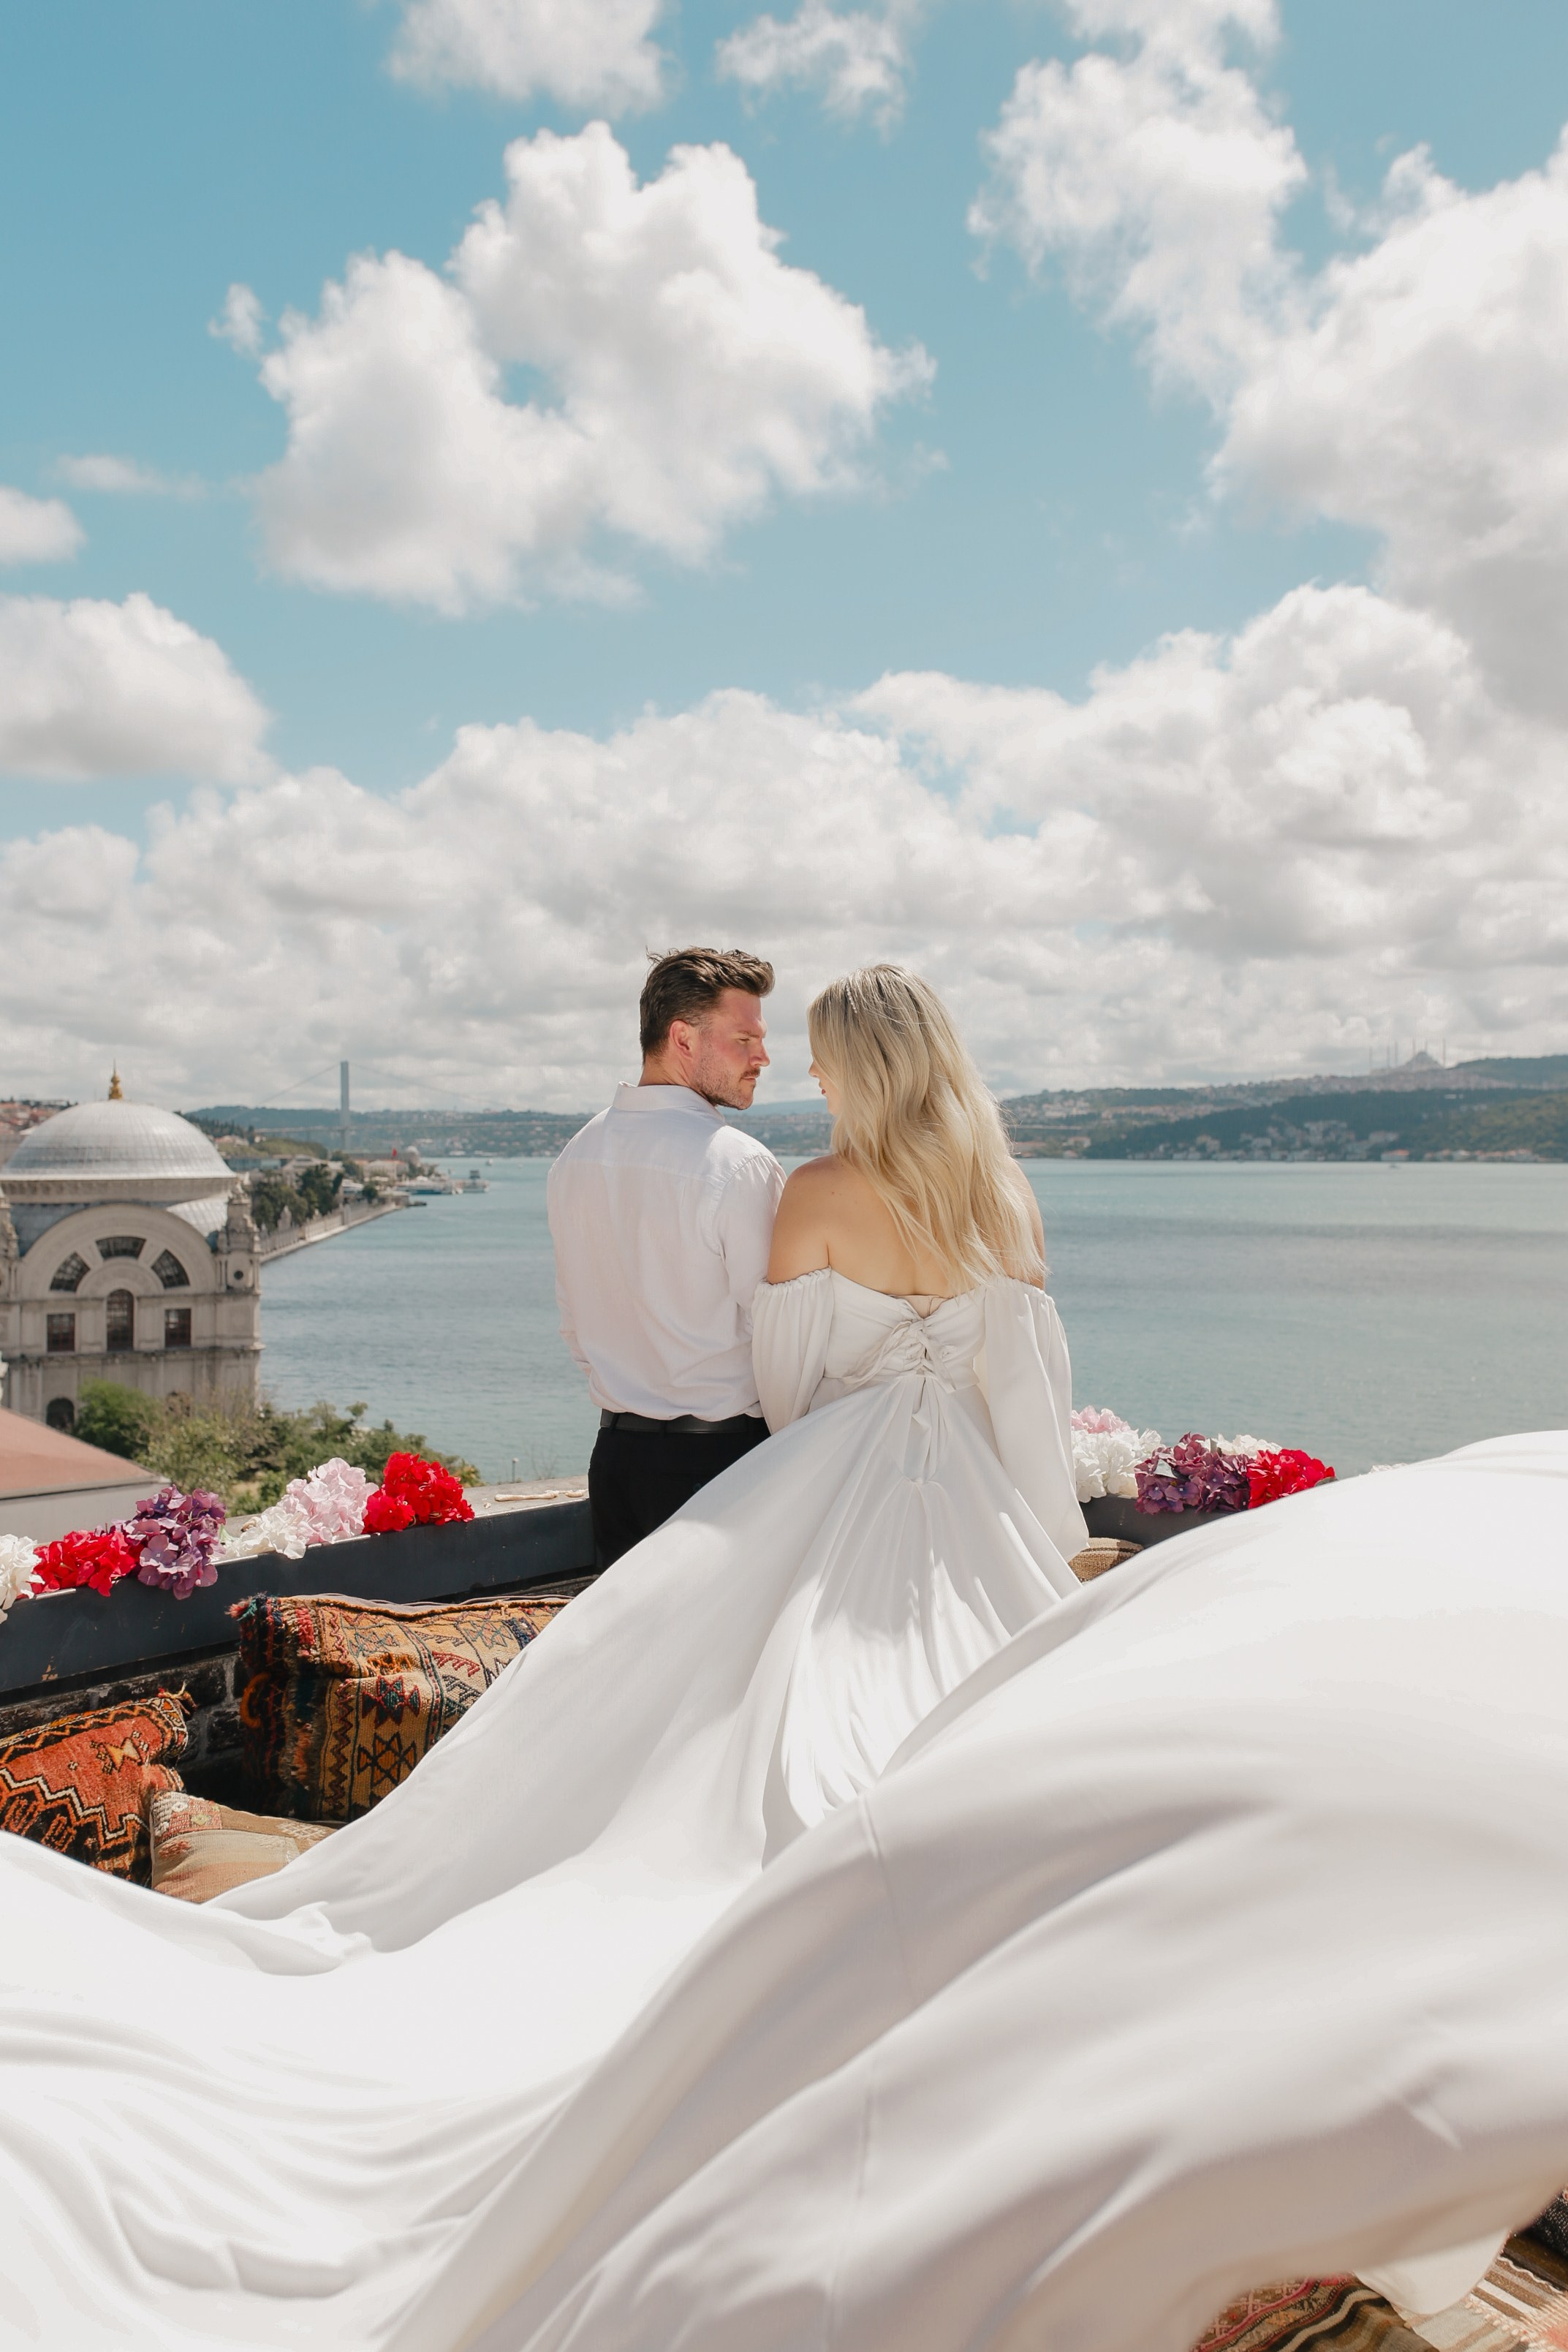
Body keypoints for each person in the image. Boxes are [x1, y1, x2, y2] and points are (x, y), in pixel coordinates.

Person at [4, 969, 1556, 2349]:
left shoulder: (810, 1194)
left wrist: (824, 1480)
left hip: (828, 1483)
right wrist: (1032, 1538)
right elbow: (1031, 1400)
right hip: (973, 1503)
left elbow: (788, 1386)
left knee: (731, 1738)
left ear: (856, 1074)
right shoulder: (1005, 1201)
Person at [548, 946, 784, 1566]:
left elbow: (575, 1327)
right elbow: (777, 1335)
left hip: (616, 1465)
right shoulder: (739, 1163)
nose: (763, 1056)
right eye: (744, 1039)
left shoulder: (575, 1155)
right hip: (722, 1468)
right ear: (683, 1038)